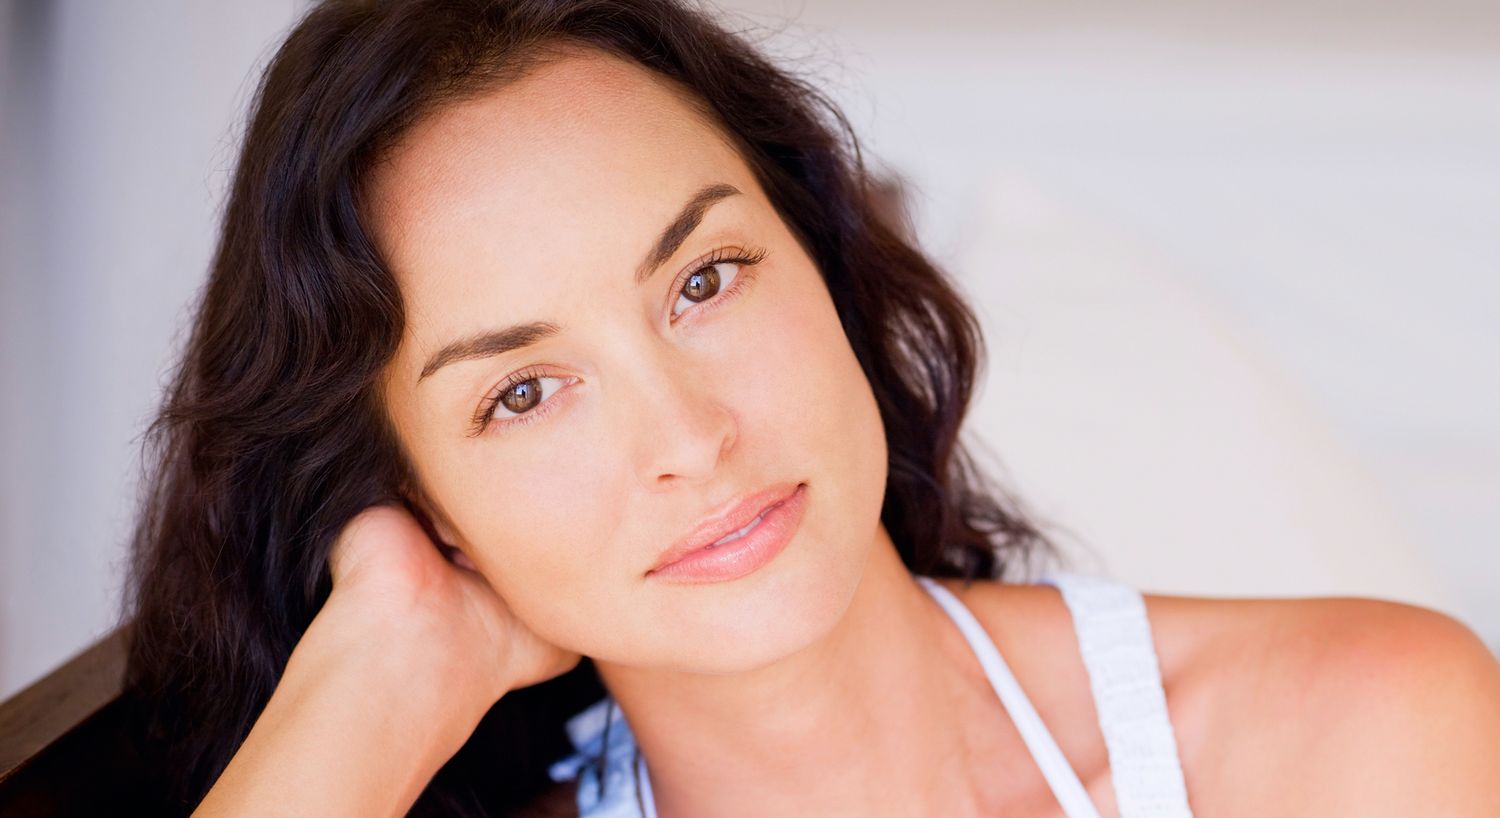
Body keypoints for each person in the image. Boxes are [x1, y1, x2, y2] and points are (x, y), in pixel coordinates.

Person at [120, 0, 1500, 816]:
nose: (689, 437)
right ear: (427, 511)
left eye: (705, 279)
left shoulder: (1359, 736)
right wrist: (379, 678)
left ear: (823, 264)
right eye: (524, 393)